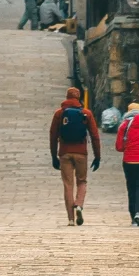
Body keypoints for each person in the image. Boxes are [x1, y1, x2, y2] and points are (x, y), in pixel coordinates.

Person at [50, 85, 101, 226]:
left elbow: (53, 136)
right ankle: (79, 204)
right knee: (82, 181)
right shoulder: (86, 113)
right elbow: (95, 136)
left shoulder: (59, 113)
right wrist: (97, 156)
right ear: (78, 98)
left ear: (67, 97)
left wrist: (54, 156)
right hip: (81, 153)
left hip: (65, 152)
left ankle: (71, 219)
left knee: (68, 185)